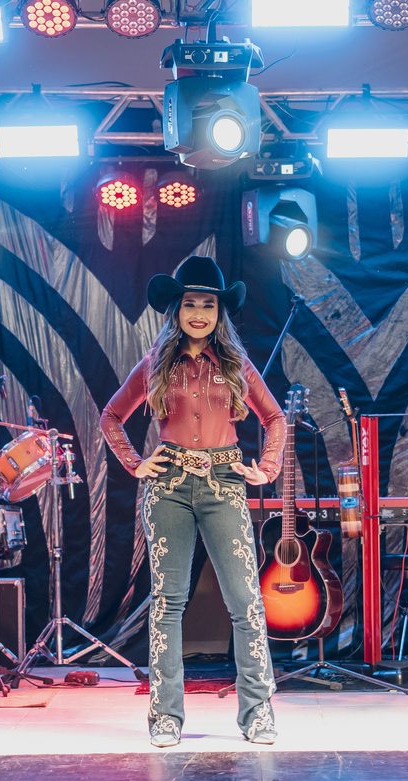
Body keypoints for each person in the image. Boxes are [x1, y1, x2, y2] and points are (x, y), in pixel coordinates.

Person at [100, 256, 286, 748]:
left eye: (208, 304)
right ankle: (165, 716)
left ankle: (258, 712)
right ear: (176, 310)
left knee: (245, 601)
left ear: (220, 312)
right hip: (169, 486)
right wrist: (135, 463)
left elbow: (276, 419)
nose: (199, 313)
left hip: (225, 483)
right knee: (168, 603)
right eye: (190, 304)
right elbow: (110, 416)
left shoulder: (236, 365)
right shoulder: (155, 364)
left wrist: (266, 468)